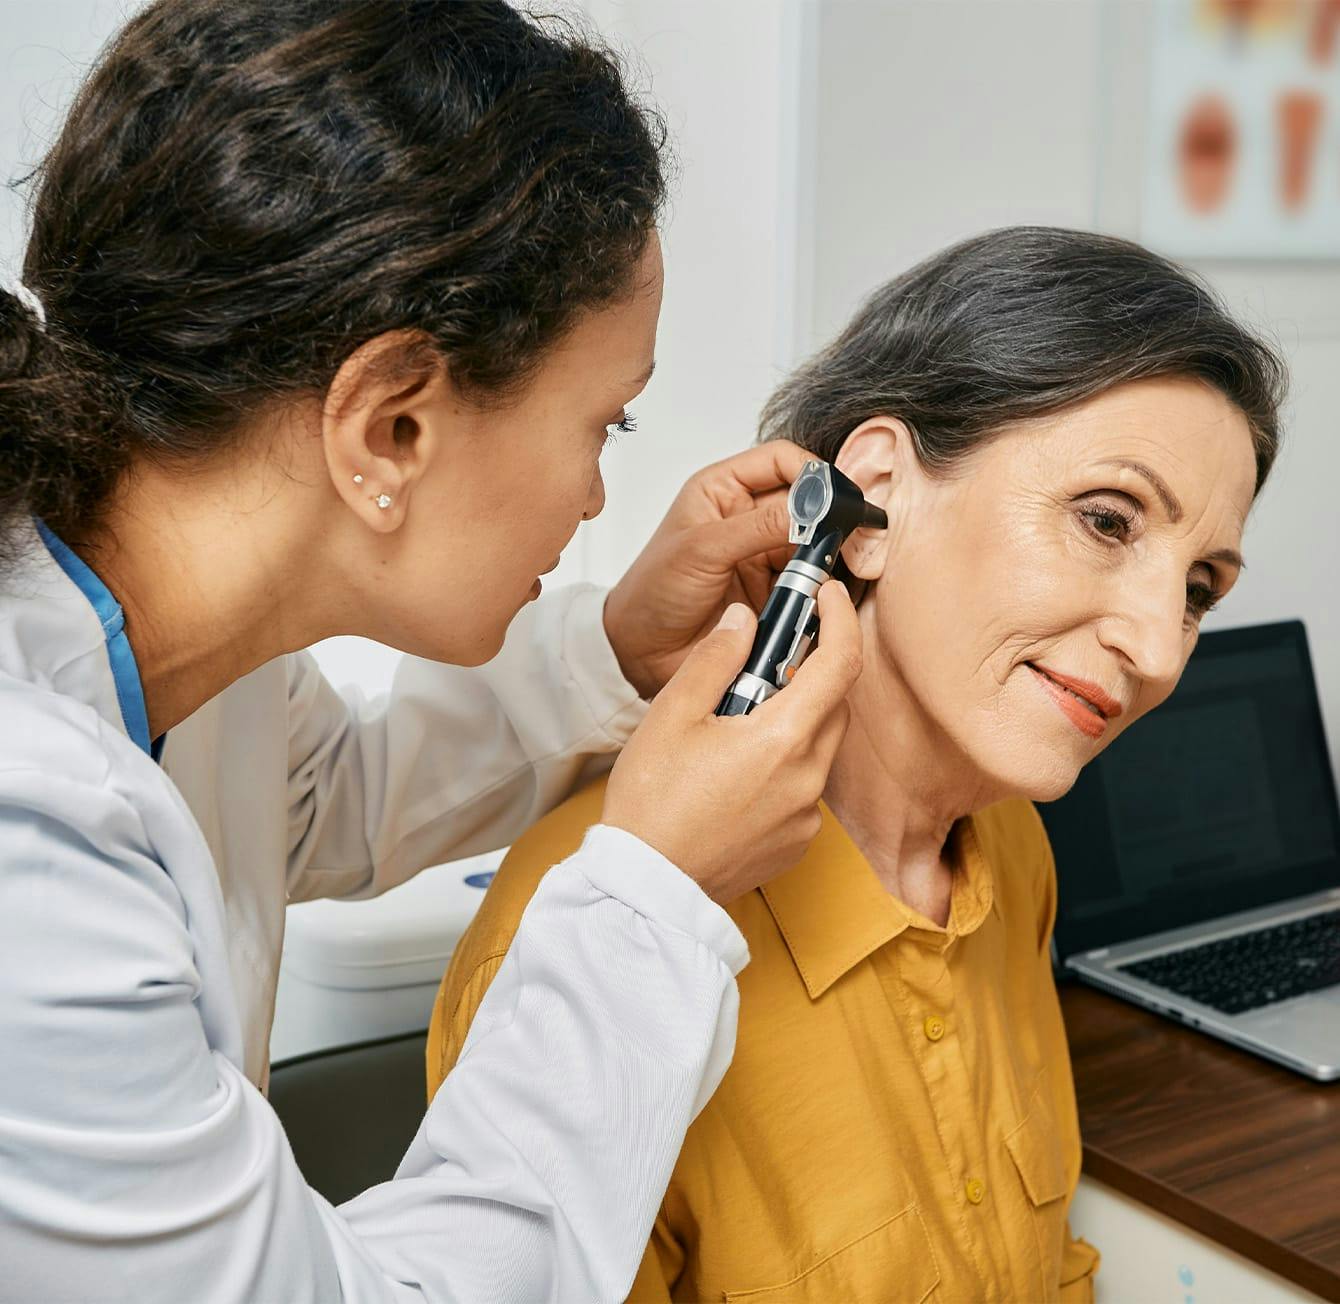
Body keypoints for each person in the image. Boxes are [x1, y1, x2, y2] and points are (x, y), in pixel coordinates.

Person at [0, 3, 863, 1300]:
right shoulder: (28, 863)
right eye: (605, 426)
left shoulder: (168, 638)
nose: (591, 495)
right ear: (393, 426)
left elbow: (309, 802)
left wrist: (620, 647)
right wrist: (656, 895)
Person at [427, 226, 1287, 1303]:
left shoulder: (1009, 848)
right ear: (874, 495)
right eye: (1104, 519)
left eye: (1199, 585)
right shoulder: (590, 931)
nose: (1158, 648)